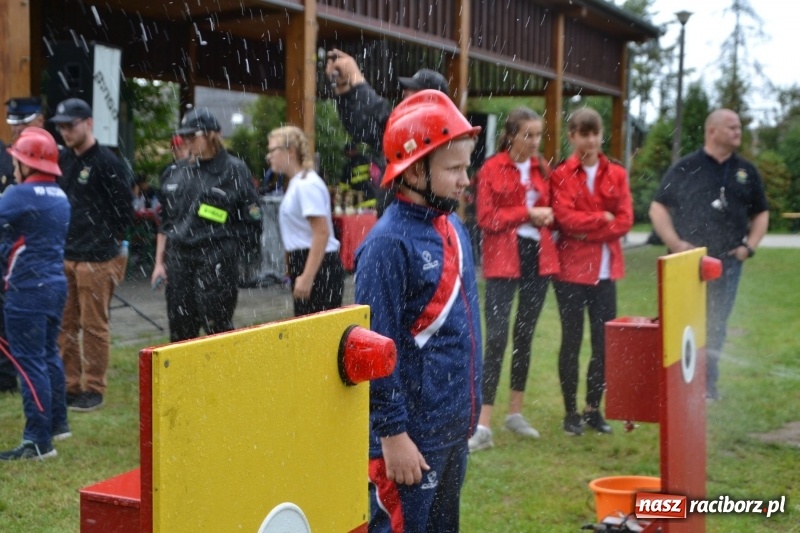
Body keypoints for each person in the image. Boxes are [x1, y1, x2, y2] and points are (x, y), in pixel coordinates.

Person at [354, 90, 482, 531]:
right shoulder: (387, 245)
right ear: (413, 169)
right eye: (454, 168)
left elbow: (464, 332)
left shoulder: (455, 228)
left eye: (467, 166)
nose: (467, 179)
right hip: (409, 439)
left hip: (450, 430)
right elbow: (373, 350)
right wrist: (391, 435)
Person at [649, 109, 769, 401]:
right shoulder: (686, 167)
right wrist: (675, 243)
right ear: (712, 131)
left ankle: (708, 387)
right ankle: (677, 387)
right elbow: (658, 207)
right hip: (688, 263)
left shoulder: (746, 171)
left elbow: (761, 213)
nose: (738, 131)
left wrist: (749, 247)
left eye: (739, 126)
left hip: (727, 262)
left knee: (716, 324)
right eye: (732, 126)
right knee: (683, 323)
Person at [468, 107, 559, 451]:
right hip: (503, 258)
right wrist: (527, 213)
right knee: (496, 337)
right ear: (511, 136)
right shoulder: (491, 169)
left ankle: (515, 413)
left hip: (539, 256)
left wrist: (548, 214)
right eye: (528, 135)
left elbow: (551, 207)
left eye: (538, 135)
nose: (535, 142)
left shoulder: (542, 168)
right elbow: (486, 217)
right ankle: (483, 424)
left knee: (525, 334)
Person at [550, 107, 633, 436]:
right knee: (571, 341)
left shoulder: (617, 174)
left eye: (595, 133)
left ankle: (592, 409)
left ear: (601, 136)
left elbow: (626, 220)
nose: (590, 140)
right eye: (583, 134)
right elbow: (565, 220)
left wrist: (588, 229)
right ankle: (571, 412)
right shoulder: (560, 174)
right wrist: (603, 220)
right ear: (572, 136)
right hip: (569, 272)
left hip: (605, 271)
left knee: (603, 344)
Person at [51, 97, 135, 413]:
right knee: (65, 323)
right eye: (60, 127)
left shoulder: (108, 162)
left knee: (94, 325)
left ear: (88, 123)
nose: (64, 132)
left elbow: (125, 212)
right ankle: (70, 386)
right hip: (67, 254)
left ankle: (94, 388)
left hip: (97, 259)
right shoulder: (63, 160)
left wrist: (106, 245)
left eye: (70, 125)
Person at [151, 108, 262, 342]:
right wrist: (160, 262)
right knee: (180, 335)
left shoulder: (234, 170)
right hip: (180, 261)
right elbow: (167, 222)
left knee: (217, 332)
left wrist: (226, 252)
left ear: (212, 134)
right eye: (185, 137)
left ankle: (220, 378)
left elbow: (252, 224)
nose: (188, 142)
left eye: (194, 136)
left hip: (216, 262)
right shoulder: (176, 173)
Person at [0, 127, 71, 460]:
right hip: (54, 285)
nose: (13, 167)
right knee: (46, 357)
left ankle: (38, 441)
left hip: (27, 290)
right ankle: (58, 424)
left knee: (29, 364)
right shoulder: (60, 195)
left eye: (16, 160)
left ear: (28, 164)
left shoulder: (18, 195)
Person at [325, 49, 450, 215]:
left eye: (413, 88)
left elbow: (382, 116)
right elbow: (360, 127)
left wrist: (356, 77)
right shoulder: (410, 128)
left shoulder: (431, 130)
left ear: (430, 98)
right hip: (399, 213)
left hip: (412, 217)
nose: (404, 92)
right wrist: (342, 88)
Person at [268, 125, 344, 317]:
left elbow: (322, 232)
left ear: (290, 152)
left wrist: (307, 277)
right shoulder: (297, 183)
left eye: (273, 150)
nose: (269, 156)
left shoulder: (306, 184)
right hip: (306, 262)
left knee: (317, 336)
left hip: (318, 267)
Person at [0, 96, 47, 394]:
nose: (17, 130)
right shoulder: (6, 155)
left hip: (34, 253)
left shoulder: (52, 156)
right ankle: (6, 378)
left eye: (24, 123)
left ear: (40, 121)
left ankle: (14, 376)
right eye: (13, 124)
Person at [338, 141, 377, 210]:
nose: (346, 155)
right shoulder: (367, 160)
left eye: (346, 152)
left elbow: (343, 187)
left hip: (358, 202)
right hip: (372, 198)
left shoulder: (348, 167)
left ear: (349, 151)